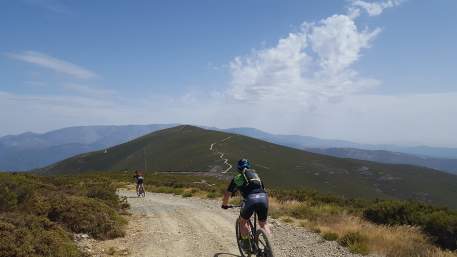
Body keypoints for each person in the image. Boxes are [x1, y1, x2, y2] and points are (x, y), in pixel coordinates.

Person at [221, 158, 270, 252]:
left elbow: (228, 194)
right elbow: (263, 189)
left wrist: (224, 204)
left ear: (238, 168)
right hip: (263, 198)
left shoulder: (237, 178)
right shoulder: (256, 176)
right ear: (248, 167)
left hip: (250, 200)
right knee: (263, 224)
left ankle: (247, 246)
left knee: (243, 222)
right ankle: (269, 247)